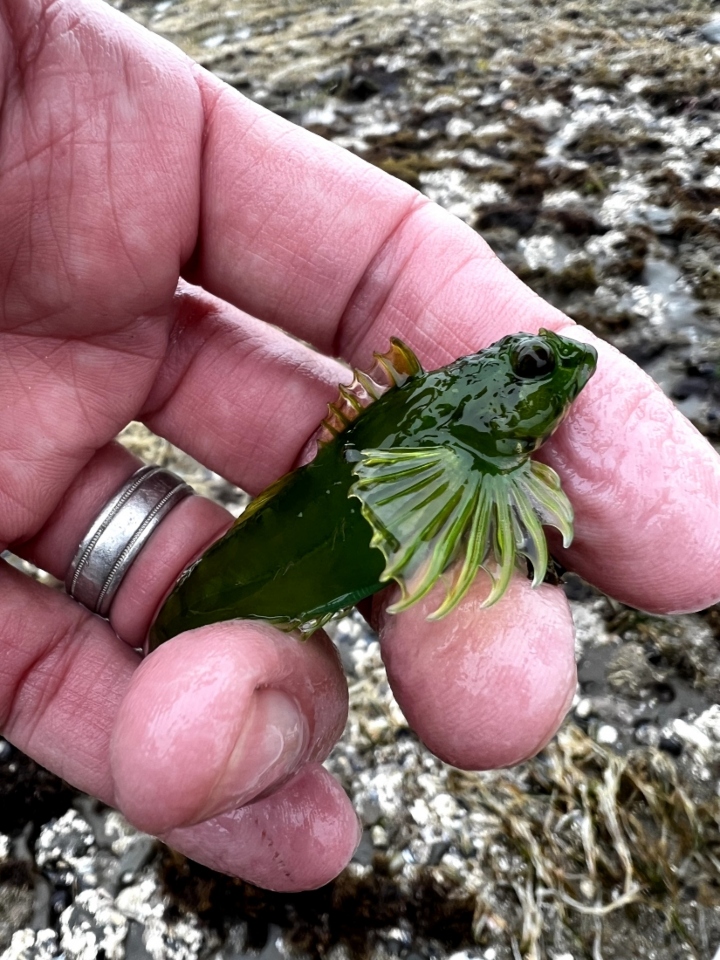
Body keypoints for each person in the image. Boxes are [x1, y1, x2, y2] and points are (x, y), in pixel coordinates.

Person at [0, 0, 718, 893]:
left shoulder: (452, 441)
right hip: (231, 570)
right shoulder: (448, 442)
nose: (555, 367)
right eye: (528, 363)